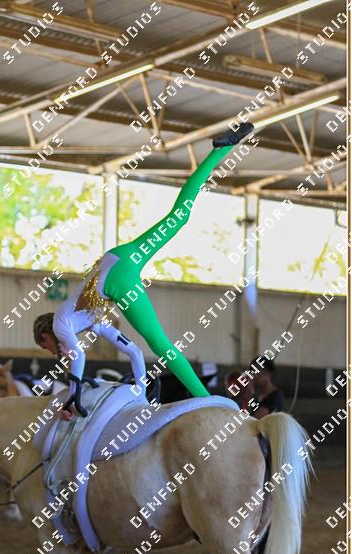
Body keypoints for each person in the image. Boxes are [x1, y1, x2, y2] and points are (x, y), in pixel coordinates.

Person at [34, 121, 255, 416]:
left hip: (117, 280)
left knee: (160, 343)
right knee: (178, 217)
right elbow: (133, 351)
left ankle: (207, 400)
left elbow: (79, 360)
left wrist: (72, 400)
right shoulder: (87, 321)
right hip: (119, 257)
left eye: (47, 347)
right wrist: (140, 390)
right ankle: (221, 150)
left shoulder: (62, 326)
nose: (53, 352)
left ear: (46, 336)